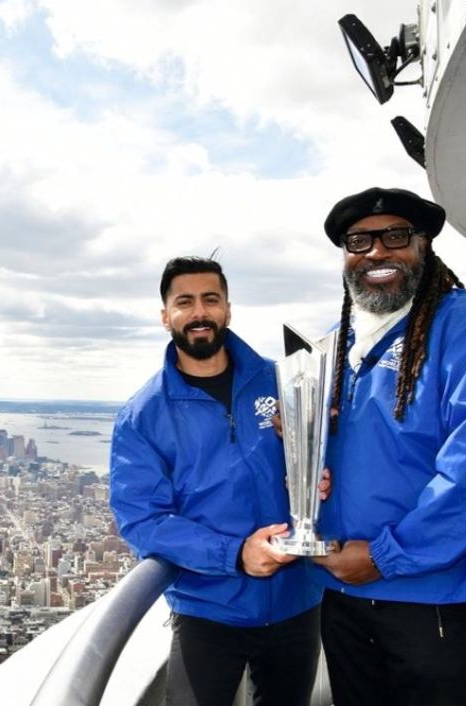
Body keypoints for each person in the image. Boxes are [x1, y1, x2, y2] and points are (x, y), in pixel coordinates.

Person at [313, 187, 466, 706]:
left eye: (395, 236)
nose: (376, 252)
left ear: (424, 244)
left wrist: (385, 556)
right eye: (359, 241)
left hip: (438, 604)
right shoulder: (338, 342)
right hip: (347, 596)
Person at [110, 256, 322, 706]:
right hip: (208, 608)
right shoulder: (142, 415)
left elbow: (324, 464)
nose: (199, 312)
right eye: (184, 301)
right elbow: (142, 521)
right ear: (165, 315)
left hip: (297, 602)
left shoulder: (285, 381)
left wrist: (322, 458)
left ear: (228, 309)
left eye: (211, 299)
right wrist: (236, 555)